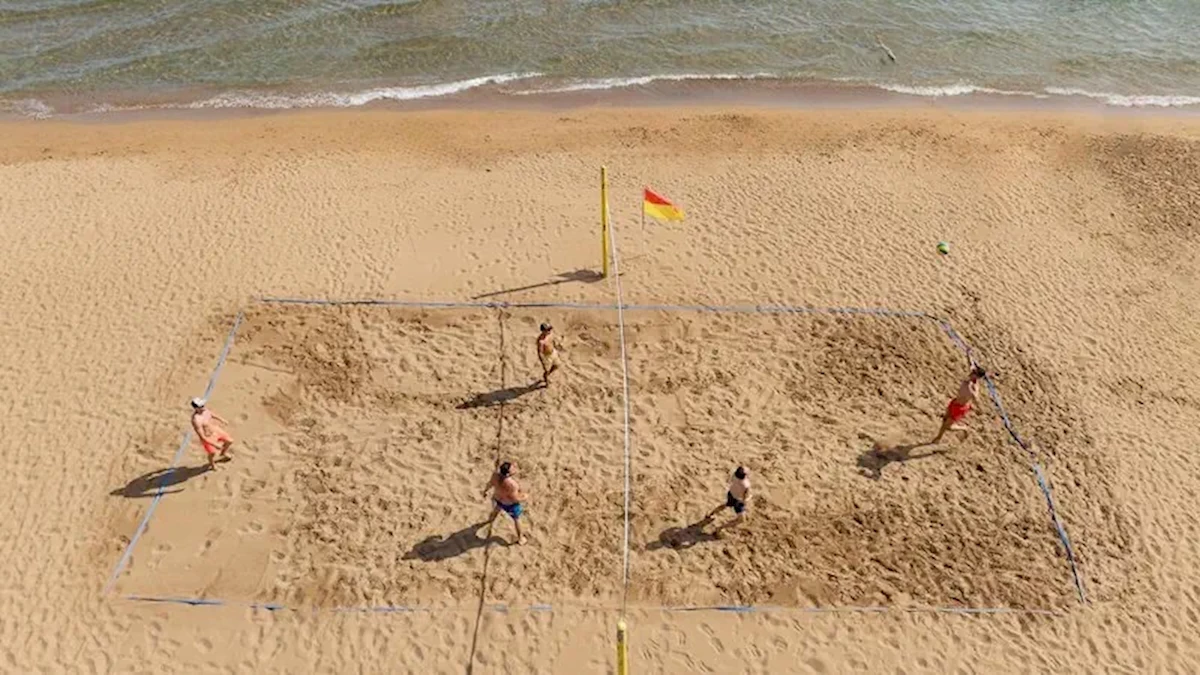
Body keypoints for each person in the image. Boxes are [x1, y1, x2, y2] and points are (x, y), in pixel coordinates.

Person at [931, 365, 987, 444]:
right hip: (954, 402)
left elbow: (976, 399)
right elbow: (970, 364)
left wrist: (972, 391)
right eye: (973, 372)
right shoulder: (969, 378)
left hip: (960, 408)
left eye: (974, 373)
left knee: (948, 426)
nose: (971, 373)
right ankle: (938, 438)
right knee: (945, 420)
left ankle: (964, 428)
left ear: (977, 377)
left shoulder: (974, 387)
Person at [483, 461, 526, 545]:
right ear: (508, 474)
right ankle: (521, 538)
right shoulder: (512, 485)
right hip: (509, 504)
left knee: (497, 508)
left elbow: (490, 484)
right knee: (516, 519)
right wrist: (524, 497)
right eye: (512, 469)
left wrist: (485, 491)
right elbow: (514, 499)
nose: (514, 469)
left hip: (498, 499)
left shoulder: (495, 476)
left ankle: (491, 519)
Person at [191, 397, 233, 470]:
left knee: (230, 441)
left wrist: (221, 420)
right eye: (201, 406)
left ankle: (223, 453)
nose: (203, 407)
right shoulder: (196, 420)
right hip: (208, 437)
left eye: (203, 405)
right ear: (196, 408)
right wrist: (215, 444)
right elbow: (202, 437)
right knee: (212, 453)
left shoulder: (205, 410)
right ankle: (212, 465)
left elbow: (211, 414)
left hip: (215, 430)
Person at [536, 322, 560, 386]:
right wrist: (543, 362)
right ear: (543, 331)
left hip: (553, 352)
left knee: (557, 365)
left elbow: (552, 341)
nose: (550, 331)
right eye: (548, 330)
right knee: (547, 370)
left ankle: (547, 374)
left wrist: (556, 347)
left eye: (550, 329)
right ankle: (546, 381)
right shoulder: (541, 341)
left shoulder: (550, 334)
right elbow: (540, 352)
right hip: (546, 356)